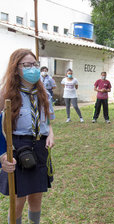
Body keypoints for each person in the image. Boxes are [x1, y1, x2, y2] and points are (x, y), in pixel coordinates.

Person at [0, 48, 55, 224]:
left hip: (39, 148)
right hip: (18, 148)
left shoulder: (44, 93)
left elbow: (48, 121)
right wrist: (2, 156)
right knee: (18, 199)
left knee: (36, 196)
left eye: (35, 64)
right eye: (27, 65)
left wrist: (50, 134)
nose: (33, 68)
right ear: (16, 69)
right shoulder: (6, 95)